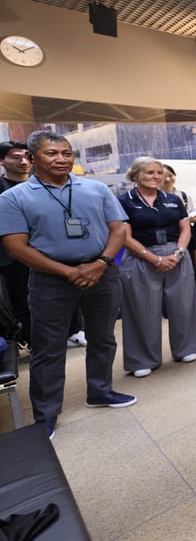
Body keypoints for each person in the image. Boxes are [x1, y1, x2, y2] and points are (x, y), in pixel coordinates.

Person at [0, 130, 138, 439]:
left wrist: (100, 264)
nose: (61, 159)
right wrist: (68, 272)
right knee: (48, 349)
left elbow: (118, 229)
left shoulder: (95, 189)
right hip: (51, 281)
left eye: (66, 153)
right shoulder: (13, 198)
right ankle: (46, 414)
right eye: (52, 153)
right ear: (32, 158)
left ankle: (100, 392)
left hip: (101, 274)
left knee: (103, 338)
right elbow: (16, 247)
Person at [118, 157, 196, 377]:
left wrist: (178, 253)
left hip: (176, 255)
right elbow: (124, 237)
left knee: (183, 304)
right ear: (135, 175)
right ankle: (142, 359)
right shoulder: (124, 201)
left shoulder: (173, 200)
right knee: (142, 309)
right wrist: (154, 259)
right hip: (141, 257)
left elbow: (185, 229)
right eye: (150, 173)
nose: (157, 177)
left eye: (159, 173)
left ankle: (187, 347)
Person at [0, 141, 33, 346]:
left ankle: (73, 331)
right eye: (15, 157)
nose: (23, 161)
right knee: (21, 300)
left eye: (27, 156)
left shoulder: (41, 184)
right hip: (11, 254)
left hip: (48, 250)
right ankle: (31, 340)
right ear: (2, 160)